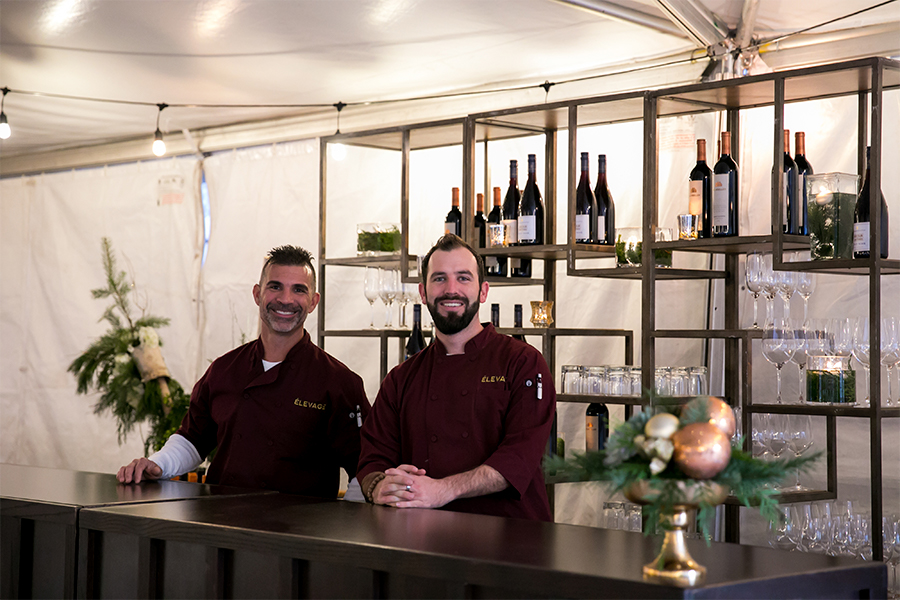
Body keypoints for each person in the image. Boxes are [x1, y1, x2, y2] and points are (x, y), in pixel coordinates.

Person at [117, 245, 370, 498]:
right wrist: (157, 464)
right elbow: (192, 440)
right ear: (257, 294)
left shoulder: (338, 382)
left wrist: (345, 523)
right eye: (275, 286)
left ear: (313, 301)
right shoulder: (224, 369)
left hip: (297, 533)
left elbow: (364, 467)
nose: (285, 299)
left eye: (299, 290)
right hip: (222, 523)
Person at [357, 234, 556, 521]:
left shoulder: (523, 362)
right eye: (439, 279)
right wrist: (379, 487)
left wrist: (442, 490)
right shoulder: (402, 378)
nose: (451, 290)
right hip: (423, 539)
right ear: (423, 293)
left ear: (483, 291)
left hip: (511, 539)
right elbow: (373, 456)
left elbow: (519, 457)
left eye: (463, 278)